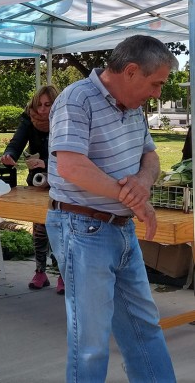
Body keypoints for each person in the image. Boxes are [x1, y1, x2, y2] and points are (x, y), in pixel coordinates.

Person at [46, 34, 176, 382]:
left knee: (143, 326)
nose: (157, 93)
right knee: (91, 340)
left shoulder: (133, 107)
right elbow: (71, 166)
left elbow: (150, 156)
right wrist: (131, 198)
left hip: (120, 229)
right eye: (155, 83)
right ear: (131, 71)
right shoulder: (77, 99)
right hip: (82, 228)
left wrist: (143, 184)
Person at [0, 85, 62, 293]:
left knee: (60, 229)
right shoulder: (29, 119)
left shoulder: (65, 118)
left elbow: (68, 151)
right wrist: (9, 155)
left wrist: (46, 163)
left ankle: (63, 274)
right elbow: (17, 142)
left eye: (48, 104)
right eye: (39, 105)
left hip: (62, 181)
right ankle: (40, 272)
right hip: (37, 182)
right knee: (39, 229)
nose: (43, 110)